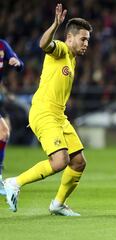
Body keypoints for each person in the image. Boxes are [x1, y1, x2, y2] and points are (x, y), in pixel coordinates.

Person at [3, 3, 92, 216]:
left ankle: (58, 204)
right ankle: (14, 182)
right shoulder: (61, 49)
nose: (86, 43)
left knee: (78, 162)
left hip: (59, 116)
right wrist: (55, 25)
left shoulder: (72, 59)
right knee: (61, 160)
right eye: (83, 39)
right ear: (69, 38)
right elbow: (44, 44)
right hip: (44, 113)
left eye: (88, 39)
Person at [0, 39, 24, 195]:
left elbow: (20, 64)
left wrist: (16, 62)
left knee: (4, 133)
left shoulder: (2, 45)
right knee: (4, 132)